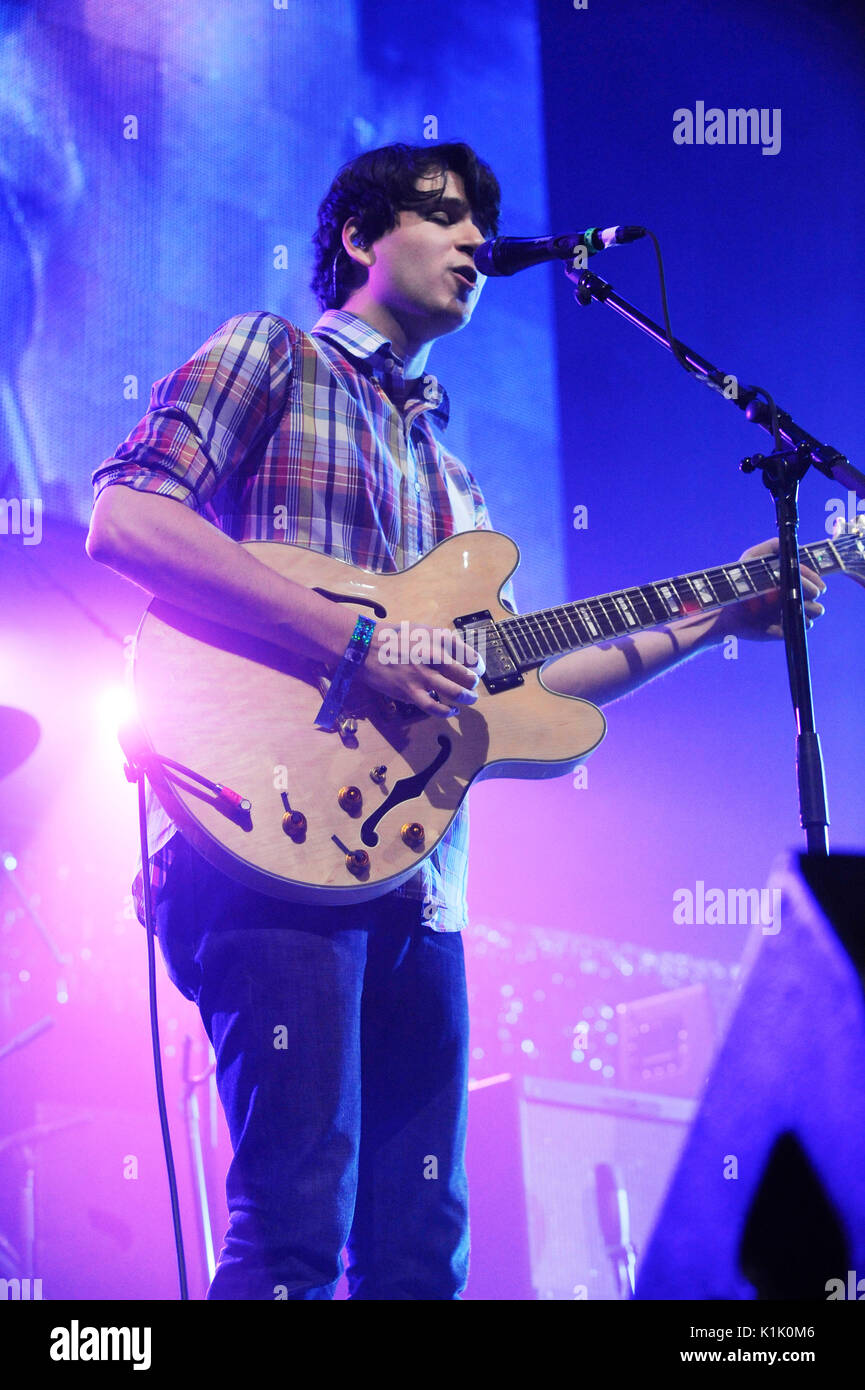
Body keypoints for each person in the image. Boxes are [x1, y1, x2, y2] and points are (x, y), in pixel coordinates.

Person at [86, 140, 827, 1301]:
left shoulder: (458, 485)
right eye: (443, 215)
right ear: (356, 238)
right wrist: (357, 642)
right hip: (265, 839)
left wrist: (716, 612)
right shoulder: (268, 352)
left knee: (419, 1255)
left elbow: (526, 691)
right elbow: (127, 521)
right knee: (290, 1225)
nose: (478, 240)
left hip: (419, 882)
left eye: (485, 224)